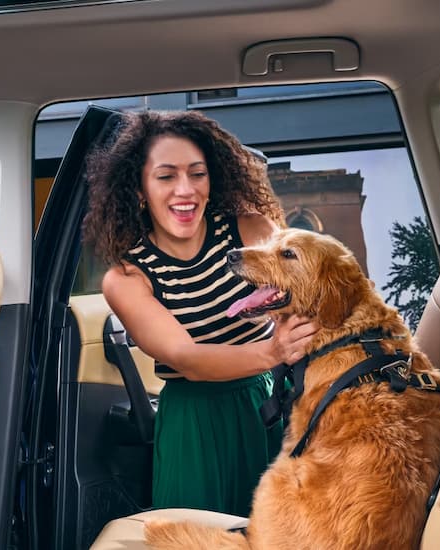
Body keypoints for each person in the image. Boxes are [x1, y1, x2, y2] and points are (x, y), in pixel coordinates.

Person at [82, 110, 316, 517]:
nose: (185, 190)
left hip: (264, 404)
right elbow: (187, 359)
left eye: (197, 173)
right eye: (166, 176)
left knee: (275, 532)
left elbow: (309, 297)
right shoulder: (127, 277)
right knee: (194, 535)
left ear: (215, 179)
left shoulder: (252, 232)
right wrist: (272, 352)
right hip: (191, 421)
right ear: (139, 189)